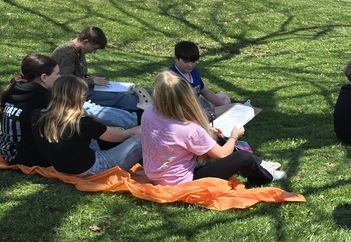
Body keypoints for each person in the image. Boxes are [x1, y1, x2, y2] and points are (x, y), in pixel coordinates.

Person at [141, 71, 284, 185]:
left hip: (157, 173)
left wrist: (207, 131)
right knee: (243, 157)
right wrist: (235, 135)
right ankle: (266, 176)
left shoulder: (149, 112)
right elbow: (222, 154)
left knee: (218, 136)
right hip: (182, 182)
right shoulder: (188, 129)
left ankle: (259, 163)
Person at [32, 76, 142, 176]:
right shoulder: (81, 122)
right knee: (143, 137)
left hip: (62, 167)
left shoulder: (38, 115)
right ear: (81, 97)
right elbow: (120, 136)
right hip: (93, 169)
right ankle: (155, 168)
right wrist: (141, 129)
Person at [51, 26, 138, 128]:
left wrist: (91, 77)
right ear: (86, 41)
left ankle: (148, 104)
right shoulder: (66, 53)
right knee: (120, 98)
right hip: (72, 94)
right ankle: (146, 111)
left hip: (82, 88)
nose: (94, 51)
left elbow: (78, 73)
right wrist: (92, 81)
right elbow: (67, 81)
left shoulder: (78, 50)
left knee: (130, 91)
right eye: (94, 48)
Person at [0, 54, 61, 166]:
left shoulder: (14, 88)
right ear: (44, 77)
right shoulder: (43, 97)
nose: (60, 76)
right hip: (30, 158)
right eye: (57, 73)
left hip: (8, 151)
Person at [169, 40, 231, 117]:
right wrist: (200, 112)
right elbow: (175, 106)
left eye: (193, 61)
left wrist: (223, 106)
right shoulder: (172, 78)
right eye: (186, 61)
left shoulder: (193, 71)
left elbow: (204, 91)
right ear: (176, 59)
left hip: (197, 106)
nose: (190, 65)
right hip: (185, 114)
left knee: (224, 98)